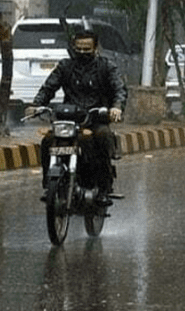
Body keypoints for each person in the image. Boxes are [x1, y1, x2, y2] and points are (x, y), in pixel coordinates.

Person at [27, 28, 127, 205]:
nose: (82, 52)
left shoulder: (106, 66)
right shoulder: (65, 66)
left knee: (103, 138)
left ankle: (104, 188)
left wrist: (116, 108)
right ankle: (49, 184)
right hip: (69, 119)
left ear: (95, 48)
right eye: (78, 48)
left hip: (96, 119)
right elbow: (49, 87)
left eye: (86, 49)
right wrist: (37, 104)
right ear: (73, 47)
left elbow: (119, 89)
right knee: (48, 141)